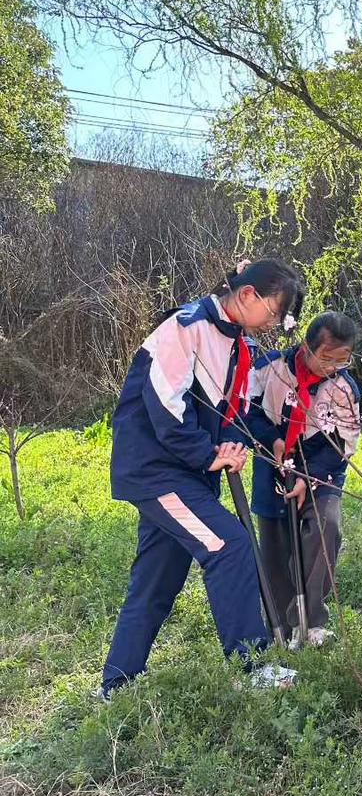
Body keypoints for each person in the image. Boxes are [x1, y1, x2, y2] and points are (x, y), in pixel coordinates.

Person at [100, 259, 305, 697]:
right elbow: (164, 406)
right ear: (247, 295)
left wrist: (231, 446)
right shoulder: (185, 326)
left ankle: (115, 685)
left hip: (190, 475)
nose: (272, 323)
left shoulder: (240, 344)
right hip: (158, 474)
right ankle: (252, 667)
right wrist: (206, 453)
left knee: (157, 580)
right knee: (230, 546)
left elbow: (237, 410)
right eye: (273, 312)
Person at [247, 311, 361, 649]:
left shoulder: (344, 387)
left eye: (342, 360)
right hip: (273, 460)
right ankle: (281, 627)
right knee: (275, 546)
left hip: (321, 467)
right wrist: (272, 440)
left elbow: (342, 445)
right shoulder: (270, 368)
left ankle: (310, 622)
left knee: (326, 529)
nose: (331, 367)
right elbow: (247, 411)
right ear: (307, 347)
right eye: (325, 357)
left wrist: (309, 478)